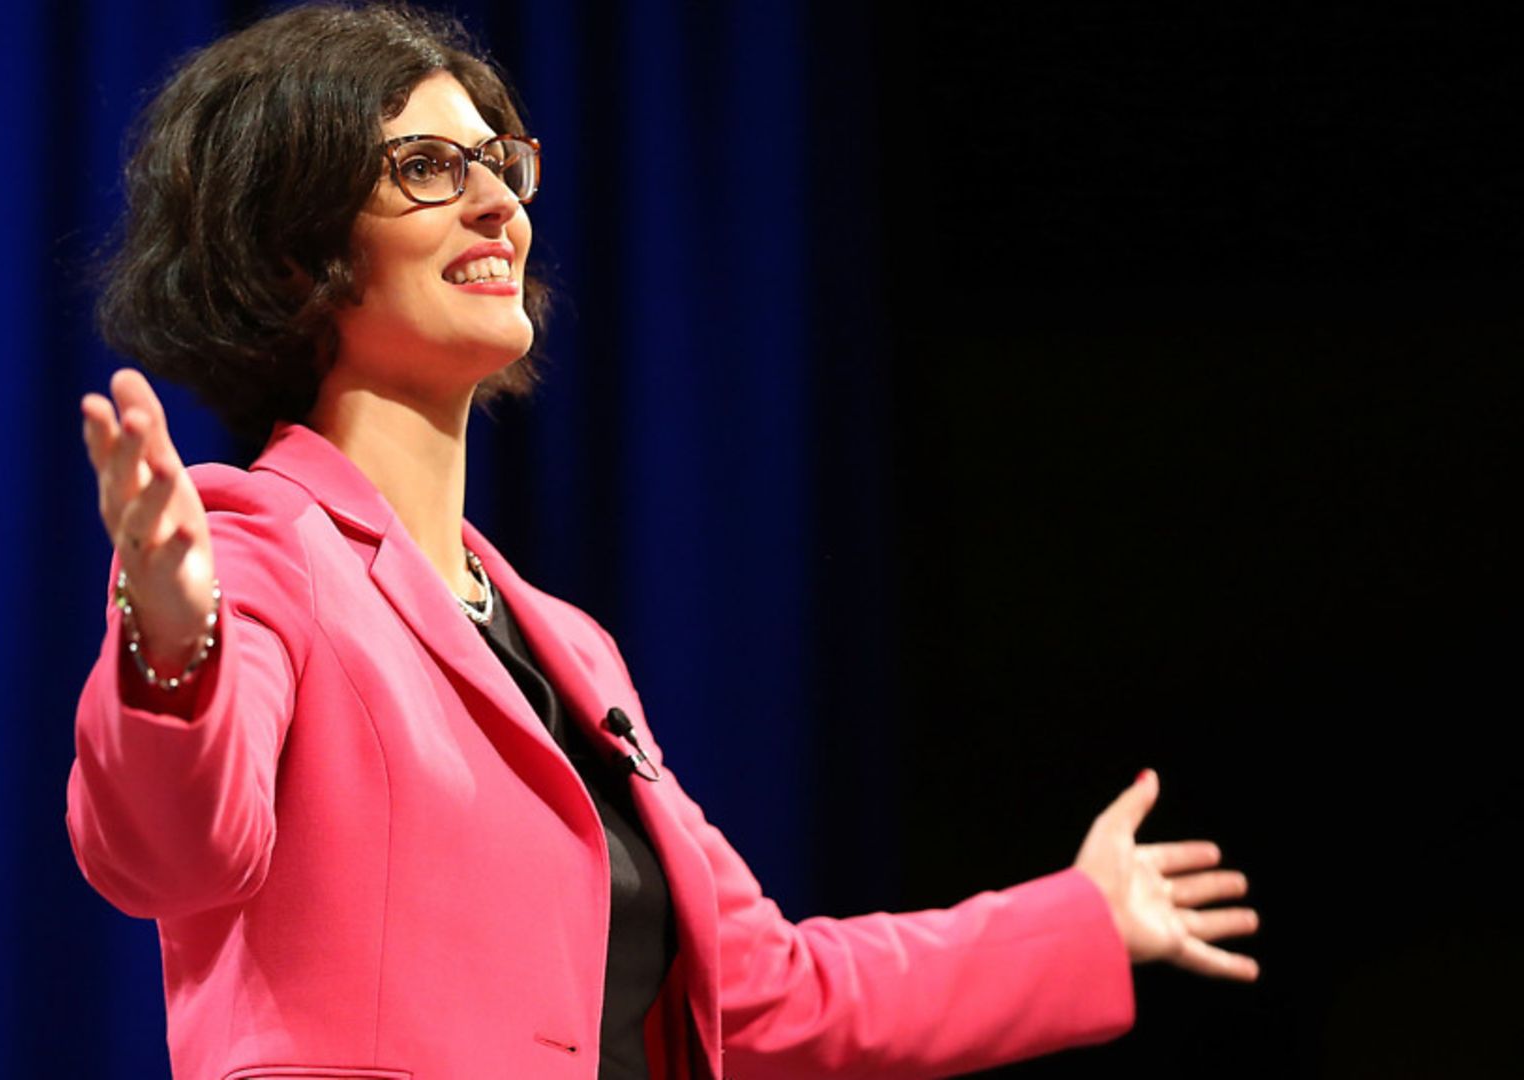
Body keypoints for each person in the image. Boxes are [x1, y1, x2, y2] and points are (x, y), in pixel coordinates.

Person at [68, 4, 1259, 1078]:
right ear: (296, 252)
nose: (499, 203)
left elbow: (769, 994)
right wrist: (171, 639)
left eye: (502, 164)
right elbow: (172, 860)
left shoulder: (568, 650)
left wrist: (1083, 919)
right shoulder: (265, 541)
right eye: (428, 168)